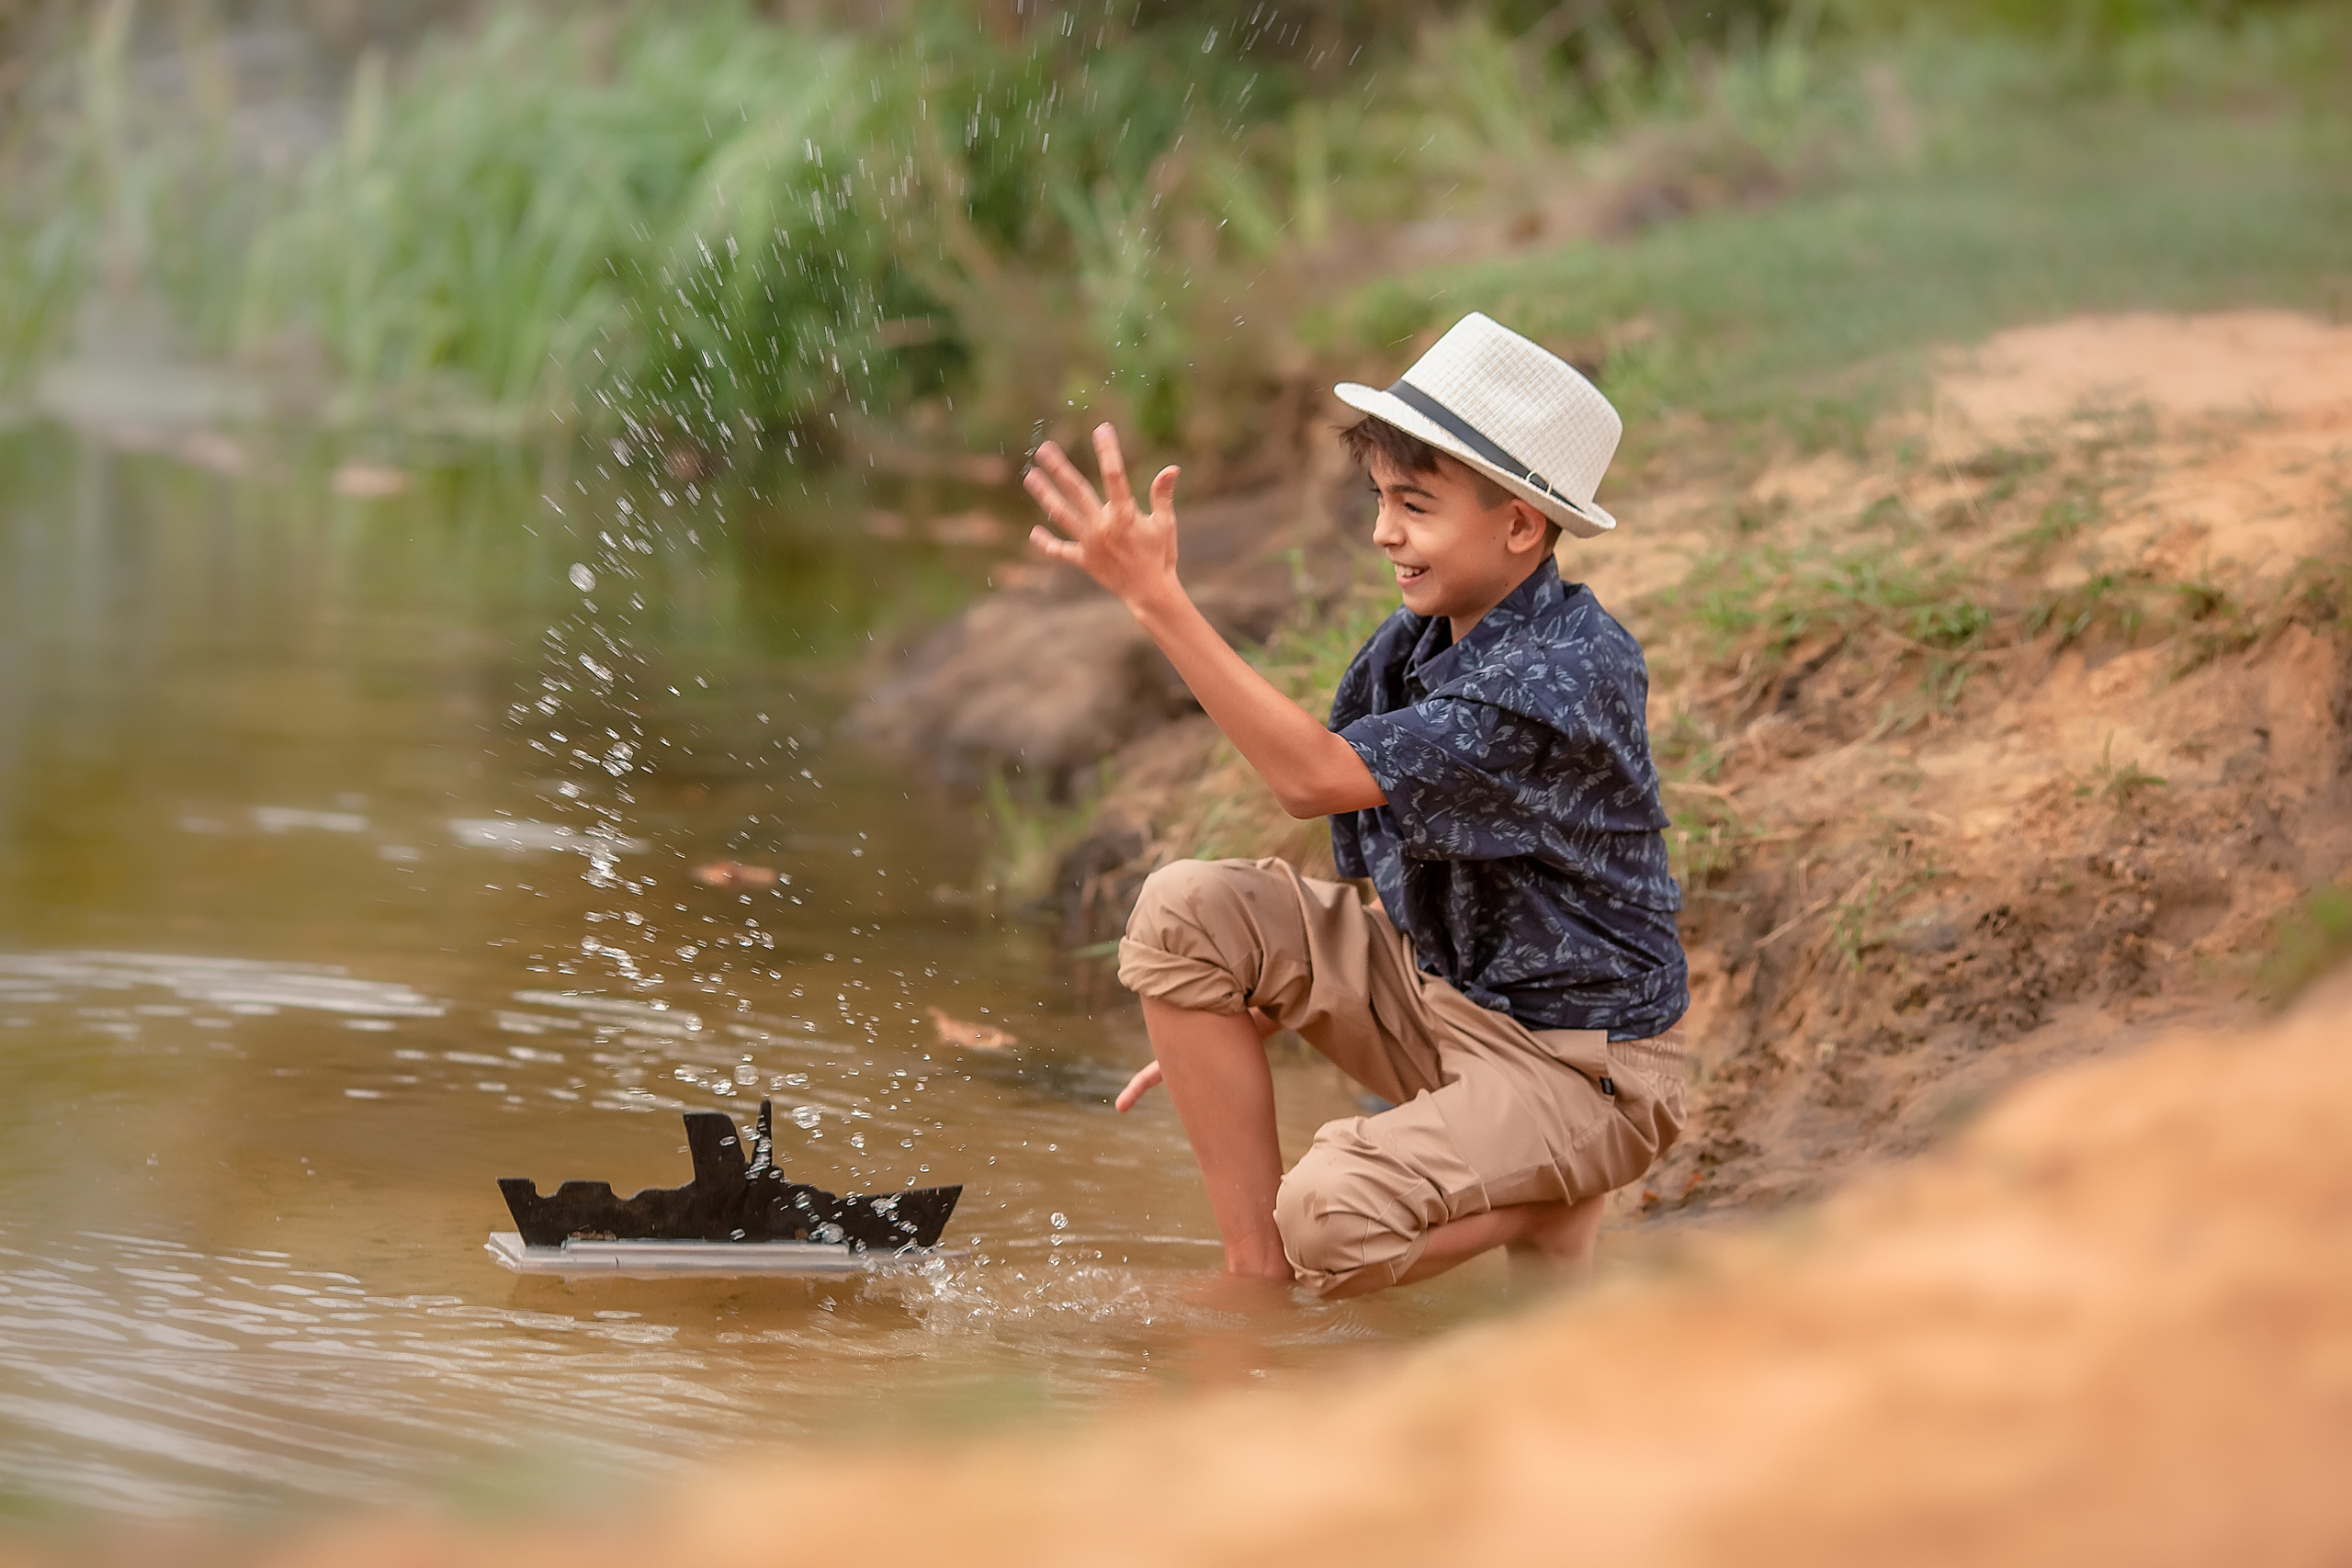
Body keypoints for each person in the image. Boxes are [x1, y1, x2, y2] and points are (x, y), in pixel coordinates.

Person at [1021, 312, 1688, 1298]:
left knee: (1329, 1217)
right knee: (1185, 912)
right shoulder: (1415, 642)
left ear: (1519, 525)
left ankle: (1554, 1198)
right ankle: (1253, 1284)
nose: (1383, 532)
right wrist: (1251, 1002)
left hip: (1582, 1070)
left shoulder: (1562, 673)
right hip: (1444, 1002)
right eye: (1379, 499)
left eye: (1414, 505)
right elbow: (1393, 860)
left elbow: (1314, 779)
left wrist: (1157, 597)